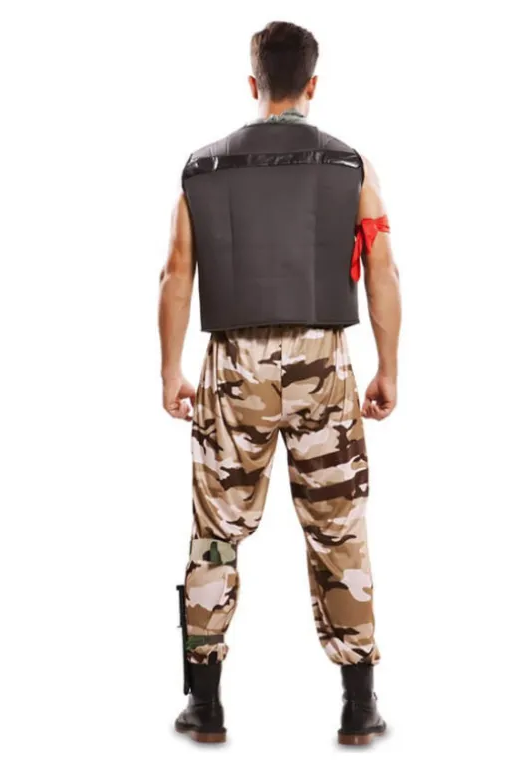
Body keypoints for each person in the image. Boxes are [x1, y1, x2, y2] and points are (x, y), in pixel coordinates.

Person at [158, 20, 401, 746]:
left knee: (216, 533)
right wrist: (388, 367)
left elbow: (176, 275)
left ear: (253, 83)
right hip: (323, 362)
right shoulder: (351, 166)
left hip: (233, 367)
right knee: (338, 527)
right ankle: (359, 705)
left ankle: (205, 706)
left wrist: (170, 370)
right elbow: (383, 270)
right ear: (313, 84)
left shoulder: (201, 170)